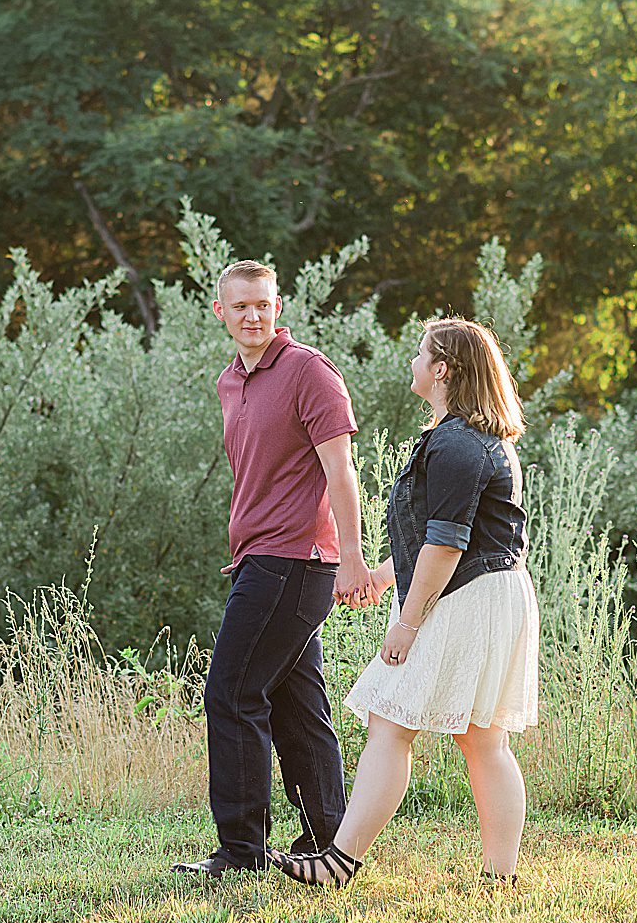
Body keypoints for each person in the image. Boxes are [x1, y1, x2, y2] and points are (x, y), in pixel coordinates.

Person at [271, 317, 539, 888]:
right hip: (486, 593)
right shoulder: (465, 438)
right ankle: (500, 875)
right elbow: (437, 538)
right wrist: (383, 577)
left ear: (442, 370)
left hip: (464, 598)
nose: (412, 362)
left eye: (421, 353)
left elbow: (446, 547)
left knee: (392, 721)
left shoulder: (457, 444)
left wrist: (408, 624)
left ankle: (337, 862)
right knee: (480, 736)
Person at [173, 259, 374, 877]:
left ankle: (241, 852)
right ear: (220, 313)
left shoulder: (308, 372)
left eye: (263, 304)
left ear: (278, 307)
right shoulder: (229, 382)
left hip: (296, 559)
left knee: (232, 692)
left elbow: (341, 471)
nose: (254, 316)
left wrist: (352, 561)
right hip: (257, 557)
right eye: (241, 307)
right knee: (295, 703)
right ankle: (331, 845)